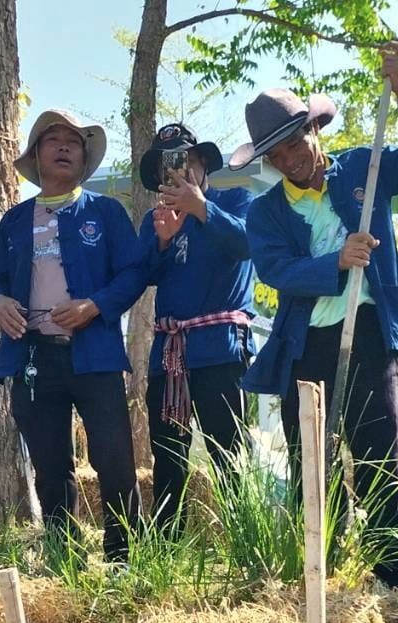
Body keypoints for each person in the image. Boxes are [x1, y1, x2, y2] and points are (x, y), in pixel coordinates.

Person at [232, 42, 398, 586]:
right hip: (304, 346)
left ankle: (393, 574)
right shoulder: (266, 212)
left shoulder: (364, 167)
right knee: (314, 459)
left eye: (293, 144)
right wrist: (336, 260)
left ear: (313, 131)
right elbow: (275, 270)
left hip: (370, 333)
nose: (289, 160)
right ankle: (318, 572)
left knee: (380, 457)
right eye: (275, 156)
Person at [0, 108, 147, 561]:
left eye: (74, 142)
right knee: (51, 466)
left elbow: (134, 272)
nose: (65, 147)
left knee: (114, 458)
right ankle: (62, 558)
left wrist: (95, 306)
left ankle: (124, 558)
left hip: (95, 355)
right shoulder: (14, 222)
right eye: (53, 140)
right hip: (32, 358)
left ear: (83, 158)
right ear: (36, 156)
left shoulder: (106, 212)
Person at [136, 122, 256, 530]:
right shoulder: (155, 221)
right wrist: (164, 241)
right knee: (168, 457)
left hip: (220, 349)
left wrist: (200, 207)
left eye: (186, 160)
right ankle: (165, 553)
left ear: (203, 163)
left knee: (231, 454)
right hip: (168, 357)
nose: (179, 171)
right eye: (169, 165)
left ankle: (248, 545)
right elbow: (139, 275)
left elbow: (247, 244)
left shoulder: (237, 200)